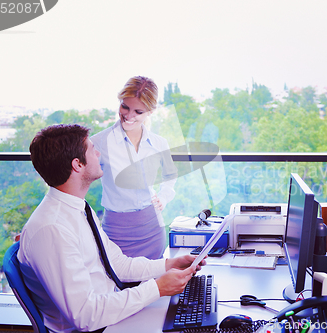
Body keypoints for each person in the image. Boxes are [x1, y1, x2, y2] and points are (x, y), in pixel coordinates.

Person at [18, 124, 203, 333]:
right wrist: (157, 288)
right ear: (77, 164)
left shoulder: (78, 208)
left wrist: (168, 265)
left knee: (189, 318)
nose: (98, 152)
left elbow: (117, 263)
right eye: (91, 149)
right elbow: (85, 316)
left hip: (111, 311)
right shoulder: (52, 229)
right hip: (97, 327)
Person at [91, 76, 177, 260]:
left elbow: (171, 173)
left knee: (156, 284)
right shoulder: (98, 143)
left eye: (138, 111)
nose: (129, 116)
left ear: (150, 112)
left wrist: (164, 196)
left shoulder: (159, 143)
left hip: (152, 228)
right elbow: (78, 181)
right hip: (116, 232)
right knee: (117, 283)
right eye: (125, 107)